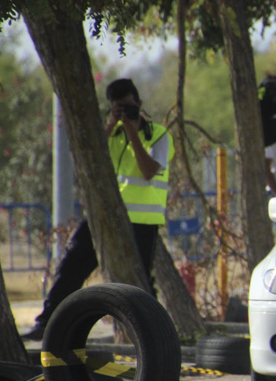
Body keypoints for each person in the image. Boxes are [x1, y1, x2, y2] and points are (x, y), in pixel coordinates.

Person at [21, 79, 173, 341]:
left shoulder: (159, 135)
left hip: (142, 221)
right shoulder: (110, 134)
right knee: (71, 266)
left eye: (128, 107)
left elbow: (148, 171)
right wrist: (113, 125)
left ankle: (154, 339)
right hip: (105, 217)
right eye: (118, 108)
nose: (125, 112)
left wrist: (132, 131)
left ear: (139, 104)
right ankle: (47, 323)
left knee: (140, 282)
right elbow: (89, 157)